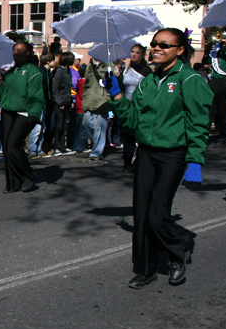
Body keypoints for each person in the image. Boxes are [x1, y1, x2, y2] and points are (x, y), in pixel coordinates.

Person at [107, 28, 212, 288]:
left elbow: (198, 123)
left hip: (172, 156)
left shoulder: (190, 80)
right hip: (146, 154)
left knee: (157, 214)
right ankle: (146, 268)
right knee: (142, 214)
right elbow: (132, 120)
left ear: (180, 51)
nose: (157, 48)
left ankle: (178, 250)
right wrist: (118, 96)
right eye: (154, 44)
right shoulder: (148, 81)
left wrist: (195, 160)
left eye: (165, 45)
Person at [0, 41, 44, 193]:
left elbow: (36, 97)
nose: (15, 53)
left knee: (13, 145)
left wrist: (34, 114)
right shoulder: (11, 72)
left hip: (24, 113)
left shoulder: (33, 72)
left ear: (28, 53)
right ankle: (13, 183)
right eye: (14, 51)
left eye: (19, 50)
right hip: (7, 112)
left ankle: (28, 174)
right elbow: (0, 95)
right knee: (7, 148)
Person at [117, 44, 152, 172]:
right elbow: (122, 87)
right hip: (127, 107)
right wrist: (118, 76)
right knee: (126, 136)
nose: (134, 54)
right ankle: (128, 163)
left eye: (137, 52)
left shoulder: (147, 71)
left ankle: (139, 162)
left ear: (142, 55)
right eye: (132, 51)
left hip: (140, 107)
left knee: (138, 136)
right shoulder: (125, 69)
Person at [81, 57, 112, 160]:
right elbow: (86, 83)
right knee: (86, 122)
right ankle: (96, 143)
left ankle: (96, 152)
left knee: (99, 127)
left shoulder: (108, 65)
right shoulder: (89, 66)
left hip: (102, 100)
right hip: (89, 99)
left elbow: (112, 82)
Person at [52, 52, 74, 155]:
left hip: (67, 101)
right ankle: (56, 146)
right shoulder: (59, 71)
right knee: (59, 125)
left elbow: (68, 87)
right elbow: (55, 88)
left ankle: (62, 146)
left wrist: (70, 101)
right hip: (60, 102)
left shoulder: (68, 70)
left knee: (65, 125)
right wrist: (59, 103)